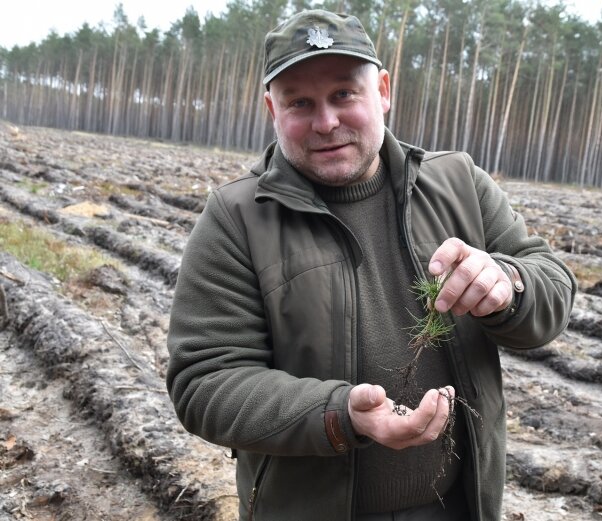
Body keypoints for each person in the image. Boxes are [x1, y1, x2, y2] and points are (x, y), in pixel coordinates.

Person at [166, 8, 576, 521]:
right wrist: (341, 416)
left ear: (383, 90)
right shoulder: (237, 218)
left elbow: (552, 287)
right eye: (300, 102)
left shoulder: (459, 185)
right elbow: (204, 382)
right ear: (272, 109)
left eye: (344, 94)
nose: (326, 122)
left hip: (458, 508)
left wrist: (509, 282)